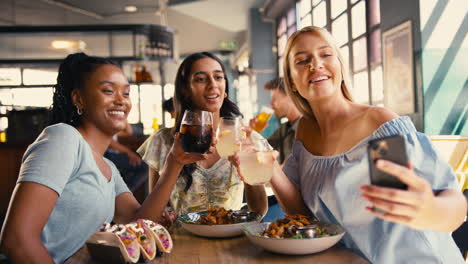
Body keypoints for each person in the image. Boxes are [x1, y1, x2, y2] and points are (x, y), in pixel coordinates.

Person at [268, 26, 467, 263]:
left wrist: (431, 210)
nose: (316, 65)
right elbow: (304, 216)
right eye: (302, 60)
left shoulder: (375, 126)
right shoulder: (306, 131)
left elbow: (454, 207)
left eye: (325, 54)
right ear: (291, 82)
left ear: (340, 65)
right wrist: (268, 167)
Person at [0, 53, 171, 264]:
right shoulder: (63, 138)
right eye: (108, 91)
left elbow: (138, 220)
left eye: (126, 93)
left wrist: (175, 163)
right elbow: (17, 240)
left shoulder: (107, 166)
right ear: (78, 99)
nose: (121, 100)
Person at [137, 52, 268, 217]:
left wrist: (247, 169)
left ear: (225, 88)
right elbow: (155, 212)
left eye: (218, 77)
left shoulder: (247, 138)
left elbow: (259, 210)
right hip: (182, 240)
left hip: (231, 237)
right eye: (201, 79)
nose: (212, 84)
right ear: (185, 90)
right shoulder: (162, 141)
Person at [251, 77, 302, 165]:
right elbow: (263, 150)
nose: (271, 104)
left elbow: (291, 170)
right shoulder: (285, 128)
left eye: (274, 99)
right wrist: (253, 132)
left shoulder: (306, 129)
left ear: (290, 96)